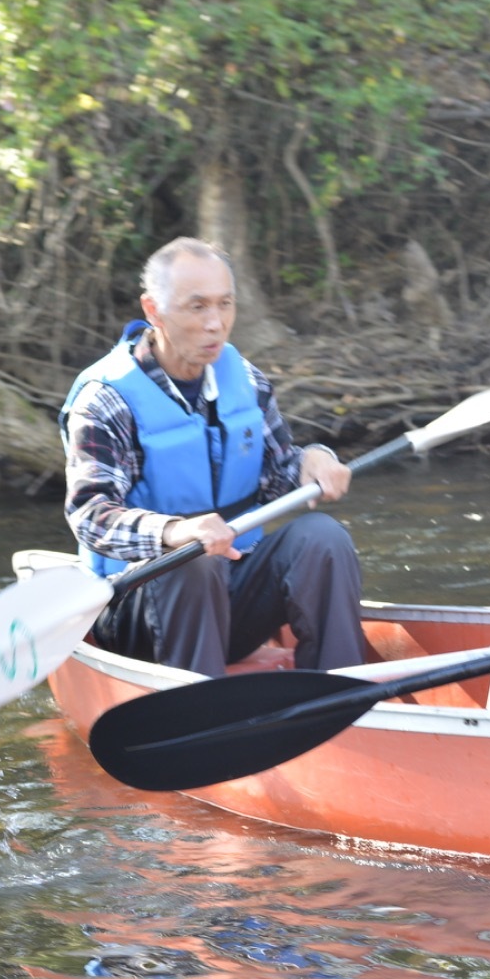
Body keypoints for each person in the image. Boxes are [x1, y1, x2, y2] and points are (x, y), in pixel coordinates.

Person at [59, 237, 367, 678]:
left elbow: (279, 475)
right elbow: (91, 516)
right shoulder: (106, 399)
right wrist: (174, 532)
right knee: (194, 558)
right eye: (197, 307)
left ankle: (340, 692)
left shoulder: (244, 379)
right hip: (132, 610)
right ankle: (200, 702)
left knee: (322, 537)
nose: (215, 324)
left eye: (225, 304)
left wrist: (313, 461)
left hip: (229, 598)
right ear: (153, 310)